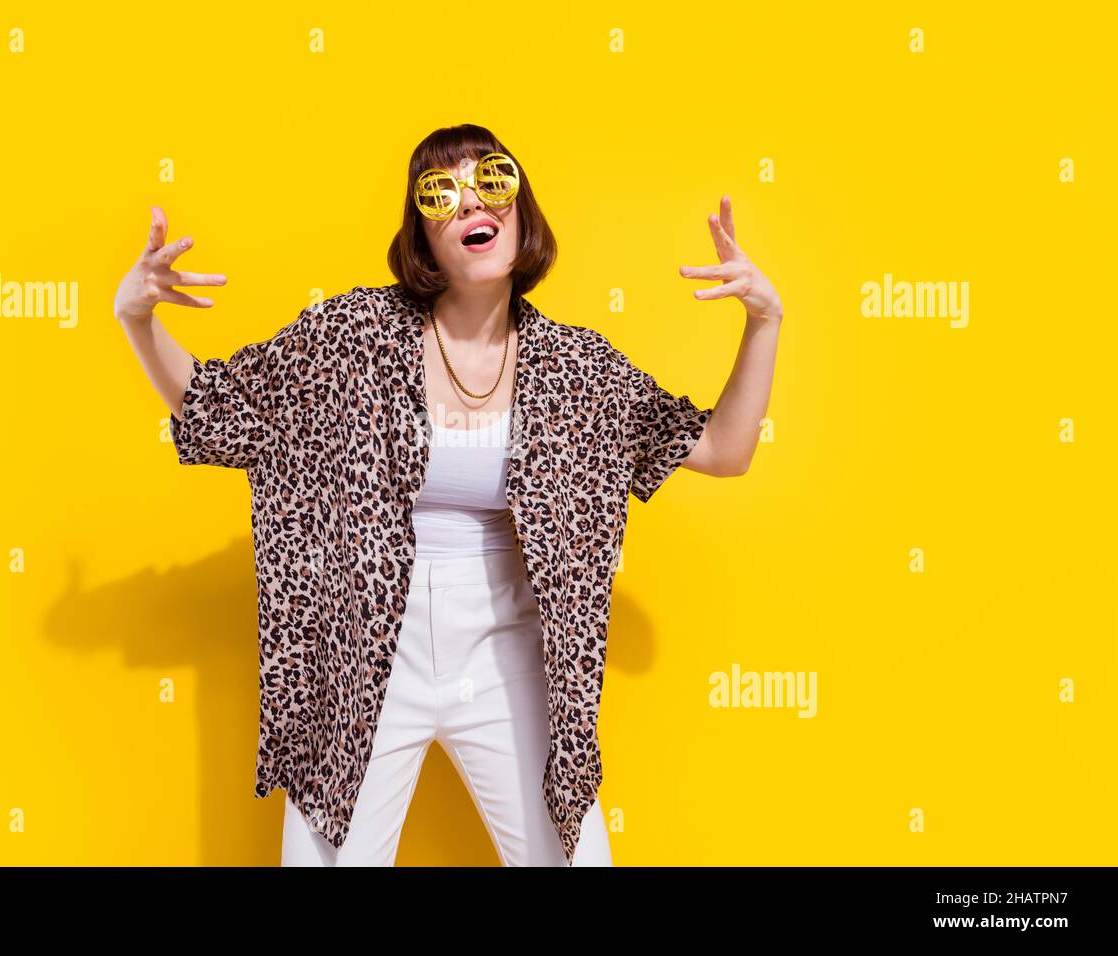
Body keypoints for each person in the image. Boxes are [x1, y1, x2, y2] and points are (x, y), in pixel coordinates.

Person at [114, 124, 783, 866]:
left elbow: (726, 450)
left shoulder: (578, 370)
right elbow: (220, 412)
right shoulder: (351, 337)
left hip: (505, 658)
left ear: (521, 210)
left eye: (491, 181)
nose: (469, 201)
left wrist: (764, 321)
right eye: (441, 192)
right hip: (364, 654)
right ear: (422, 239)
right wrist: (136, 320)